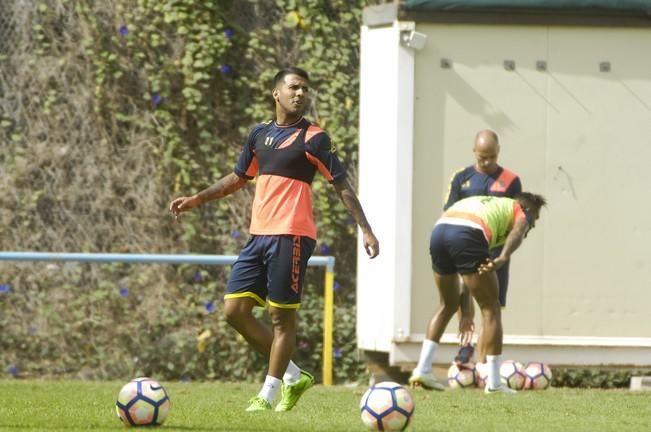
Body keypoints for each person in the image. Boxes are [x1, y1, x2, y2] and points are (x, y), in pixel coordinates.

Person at [169, 67, 380, 411]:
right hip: (258, 237)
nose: (301, 94)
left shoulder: (315, 137)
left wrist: (366, 228)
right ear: (276, 93)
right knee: (234, 311)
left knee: (281, 318)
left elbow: (341, 184)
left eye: (305, 89)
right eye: (294, 87)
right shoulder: (259, 134)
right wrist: (197, 198)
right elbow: (238, 178)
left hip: (292, 237)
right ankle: (294, 376)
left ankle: (267, 395)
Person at [408, 193, 546, 393]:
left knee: (447, 304)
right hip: (467, 232)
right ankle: (495, 383)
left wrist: (466, 311)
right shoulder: (519, 210)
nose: (531, 226)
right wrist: (504, 257)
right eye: (535, 219)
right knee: (492, 309)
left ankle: (423, 369)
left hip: (439, 231)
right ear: (528, 210)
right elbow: (518, 230)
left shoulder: (491, 210)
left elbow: (466, 274)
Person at [443, 130, 522, 368]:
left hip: (495, 252)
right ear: (474, 152)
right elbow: (449, 212)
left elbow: (517, 219)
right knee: (463, 293)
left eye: (491, 157)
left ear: (498, 152)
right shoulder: (461, 178)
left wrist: (504, 251)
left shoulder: (511, 181)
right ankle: (464, 346)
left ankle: (481, 363)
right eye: (481, 157)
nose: (486, 162)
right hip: (467, 248)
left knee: (491, 306)